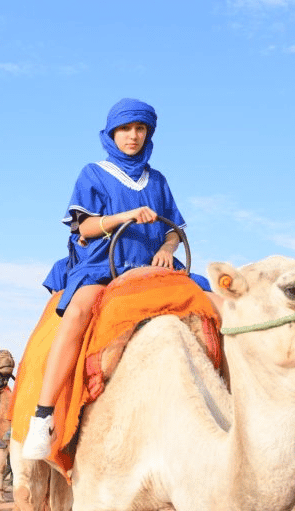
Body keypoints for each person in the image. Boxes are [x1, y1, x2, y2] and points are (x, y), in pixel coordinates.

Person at [23, 97, 199, 460]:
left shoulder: (158, 180)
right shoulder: (94, 173)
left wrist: (168, 247)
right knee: (77, 312)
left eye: (140, 129)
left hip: (152, 269)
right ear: (112, 134)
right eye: (125, 129)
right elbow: (84, 227)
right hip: (104, 265)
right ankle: (43, 416)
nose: (133, 136)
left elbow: (174, 230)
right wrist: (127, 215)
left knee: (211, 306)